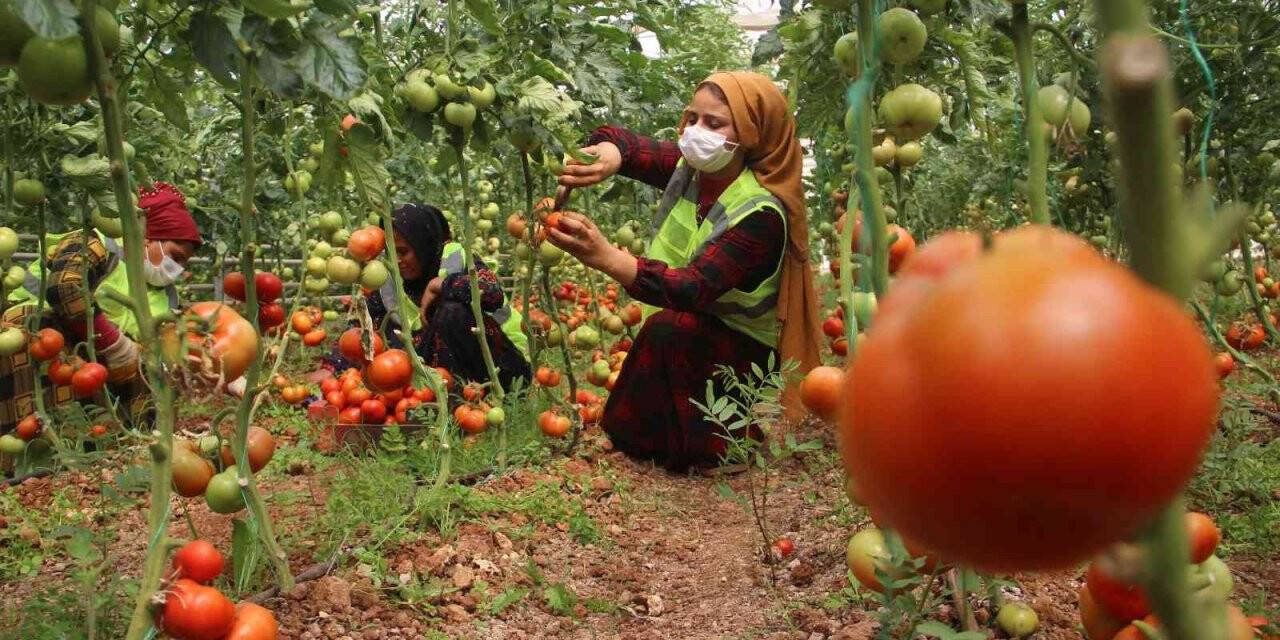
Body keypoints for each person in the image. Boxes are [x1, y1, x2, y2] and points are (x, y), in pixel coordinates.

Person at [548, 71, 822, 471]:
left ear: (750, 133)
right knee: (668, 332)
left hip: (745, 351)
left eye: (713, 123)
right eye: (692, 118)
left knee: (671, 329)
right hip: (693, 325)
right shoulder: (693, 171)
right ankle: (643, 442)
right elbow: (629, 144)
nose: (695, 131)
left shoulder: (762, 214)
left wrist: (607, 256)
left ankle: (724, 446)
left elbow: (693, 288)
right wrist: (608, 154)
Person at [1, 182, 202, 433]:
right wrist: (115, 344)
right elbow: (64, 288)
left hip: (88, 356)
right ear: (146, 237)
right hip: (32, 338)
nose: (178, 268)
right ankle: (22, 456)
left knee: (148, 368)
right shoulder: (96, 243)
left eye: (184, 261)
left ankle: (124, 445)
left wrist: (226, 377)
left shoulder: (166, 296)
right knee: (44, 333)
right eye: (175, 255)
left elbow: (169, 345)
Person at [319, 203, 531, 390]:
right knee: (390, 334)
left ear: (424, 244)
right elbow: (361, 331)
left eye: (403, 252)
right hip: (443, 379)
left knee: (452, 312)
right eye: (391, 252)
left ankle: (475, 394)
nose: (397, 260)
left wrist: (442, 284)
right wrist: (333, 367)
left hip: (506, 368)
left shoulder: (456, 256)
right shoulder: (388, 278)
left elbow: (491, 293)